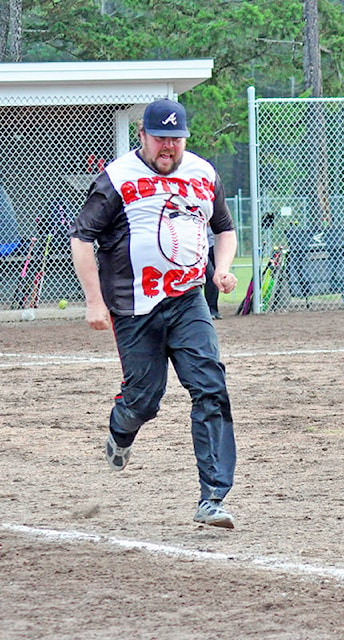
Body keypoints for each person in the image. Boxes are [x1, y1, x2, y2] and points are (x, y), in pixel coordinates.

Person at [69, 98, 239, 528]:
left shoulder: (203, 174)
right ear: (142, 136)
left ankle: (213, 498)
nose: (168, 147)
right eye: (160, 138)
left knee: (210, 388)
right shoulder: (117, 178)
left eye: (175, 139)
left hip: (187, 300)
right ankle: (121, 430)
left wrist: (221, 269)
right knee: (144, 400)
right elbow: (83, 237)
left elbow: (224, 228)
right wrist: (93, 301)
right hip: (132, 307)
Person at [204, 224, 222, 319]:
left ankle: (213, 309)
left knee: (215, 278)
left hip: (213, 247)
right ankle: (207, 310)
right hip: (201, 249)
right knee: (210, 275)